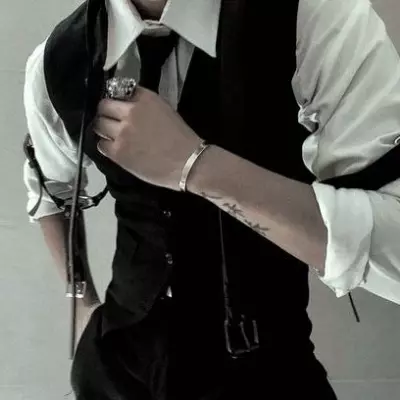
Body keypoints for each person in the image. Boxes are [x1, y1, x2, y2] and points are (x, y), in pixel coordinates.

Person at [23, 0, 400, 398]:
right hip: (115, 371)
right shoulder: (60, 57)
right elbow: (51, 193)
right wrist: (81, 305)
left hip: (264, 373)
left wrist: (194, 165)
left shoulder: (312, 17)